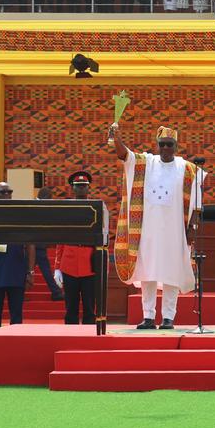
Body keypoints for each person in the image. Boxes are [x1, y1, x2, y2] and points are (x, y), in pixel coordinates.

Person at [111, 123, 203, 330]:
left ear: (176, 146)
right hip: (148, 231)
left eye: (169, 145)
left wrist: (191, 230)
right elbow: (125, 155)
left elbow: (197, 205)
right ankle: (148, 317)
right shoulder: (147, 163)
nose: (165, 149)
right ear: (157, 145)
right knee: (147, 273)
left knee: (172, 273)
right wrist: (117, 138)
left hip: (174, 232)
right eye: (162, 145)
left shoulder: (187, 168)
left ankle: (169, 317)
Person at [0, 182, 35, 329]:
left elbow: (30, 244)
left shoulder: (20, 214)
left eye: (9, 192)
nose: (7, 195)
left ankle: (16, 341)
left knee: (16, 312)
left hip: (16, 269)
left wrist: (30, 271)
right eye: (2, 192)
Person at [54, 171, 98, 324]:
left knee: (89, 306)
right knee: (70, 306)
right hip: (69, 263)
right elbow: (60, 238)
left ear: (88, 188)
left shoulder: (96, 208)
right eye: (78, 186)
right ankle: (70, 334)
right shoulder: (66, 208)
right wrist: (57, 267)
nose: (81, 189)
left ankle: (90, 336)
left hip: (89, 262)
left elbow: (102, 236)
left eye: (84, 186)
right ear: (72, 188)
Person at [33, 187, 65, 301]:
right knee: (44, 270)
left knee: (42, 269)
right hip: (34, 245)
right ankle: (55, 292)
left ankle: (55, 292)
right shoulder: (34, 206)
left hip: (38, 244)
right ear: (46, 198)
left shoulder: (35, 205)